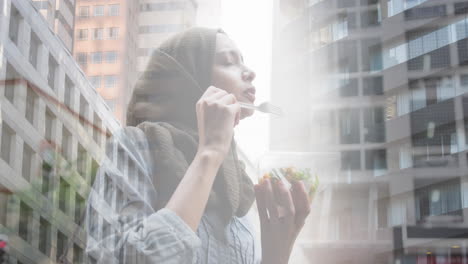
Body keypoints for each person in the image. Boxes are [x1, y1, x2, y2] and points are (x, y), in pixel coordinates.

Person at [86, 27, 310, 264]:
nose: (250, 73)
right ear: (187, 79)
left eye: (243, 62)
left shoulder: (239, 187)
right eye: (228, 62)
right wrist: (209, 153)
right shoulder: (137, 146)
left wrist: (277, 252)